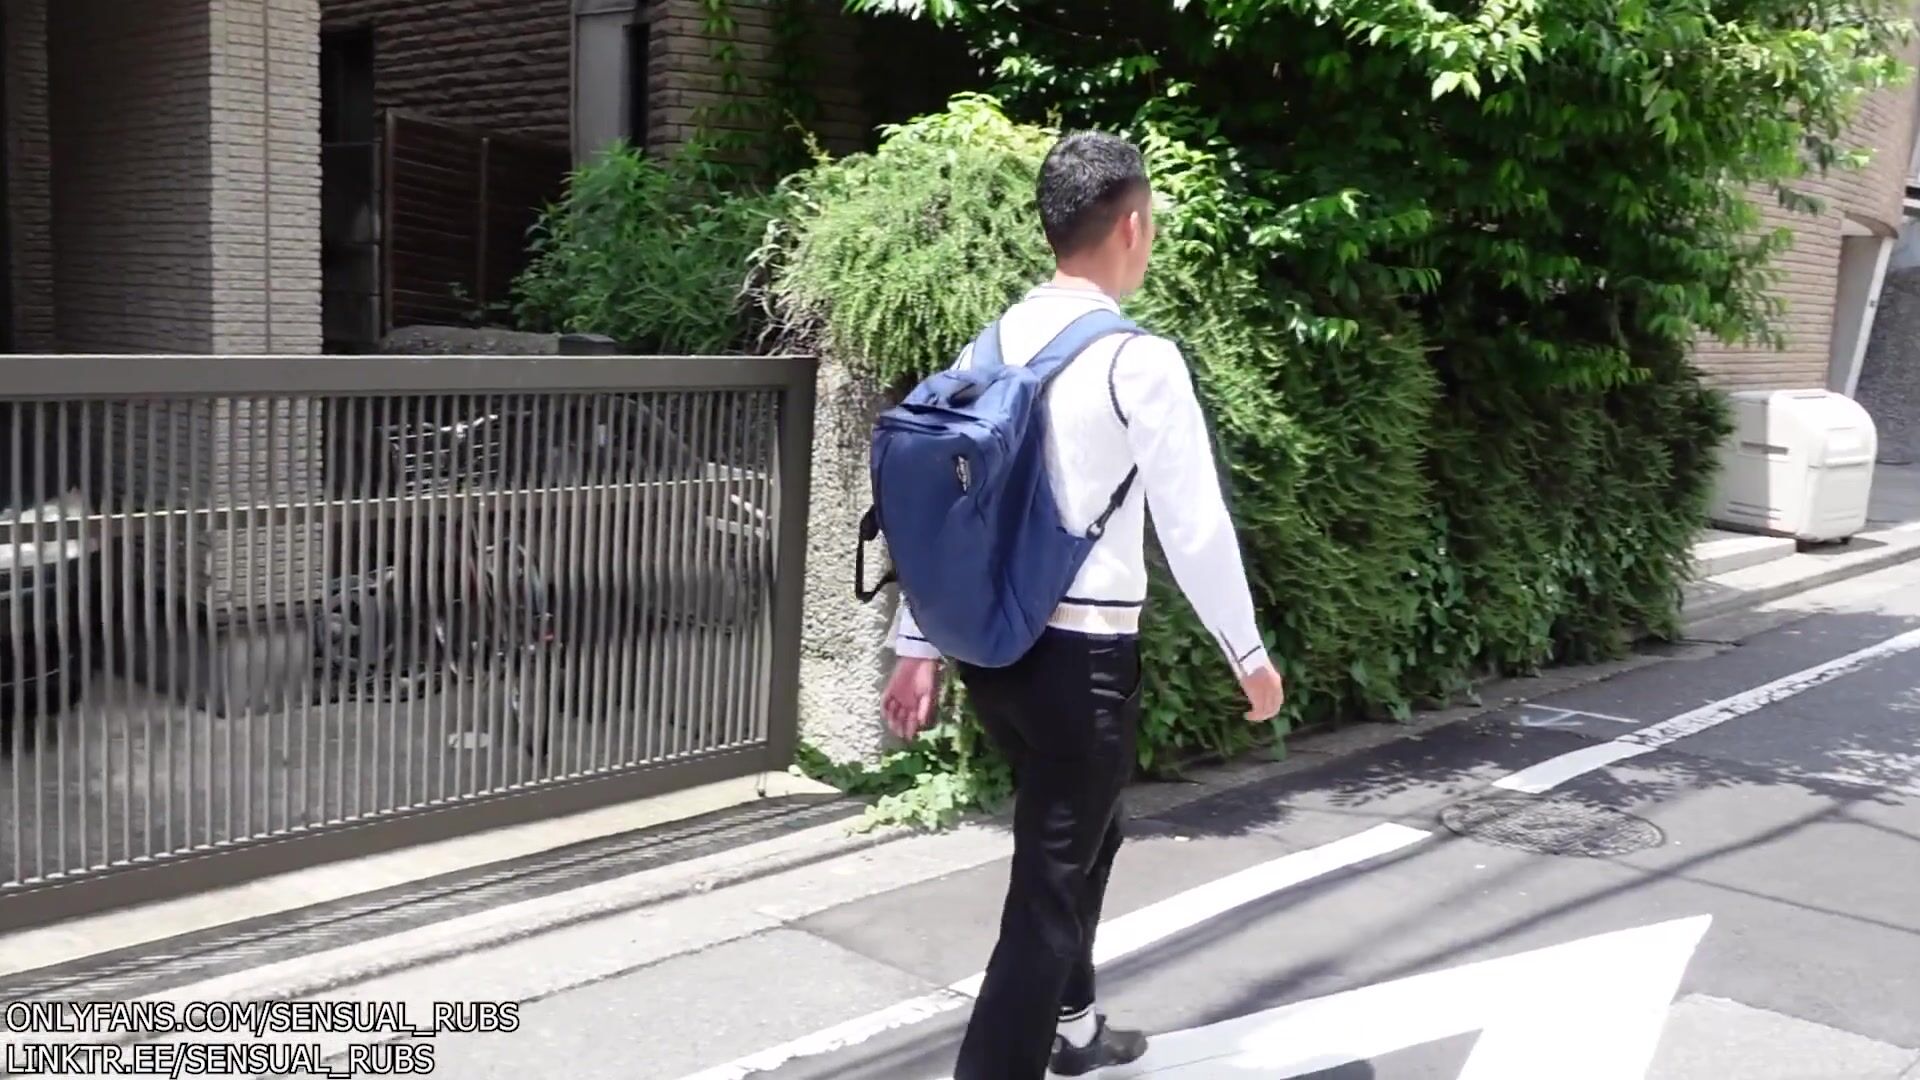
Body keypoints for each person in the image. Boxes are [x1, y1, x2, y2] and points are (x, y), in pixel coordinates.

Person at [878, 129, 1286, 1080]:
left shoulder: (989, 344)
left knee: (1088, 835)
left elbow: (948, 517)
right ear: (1132, 227)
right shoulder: (1138, 360)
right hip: (1085, 664)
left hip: (994, 654)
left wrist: (917, 644)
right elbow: (1195, 526)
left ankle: (1073, 1027)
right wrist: (1248, 654)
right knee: (1047, 891)